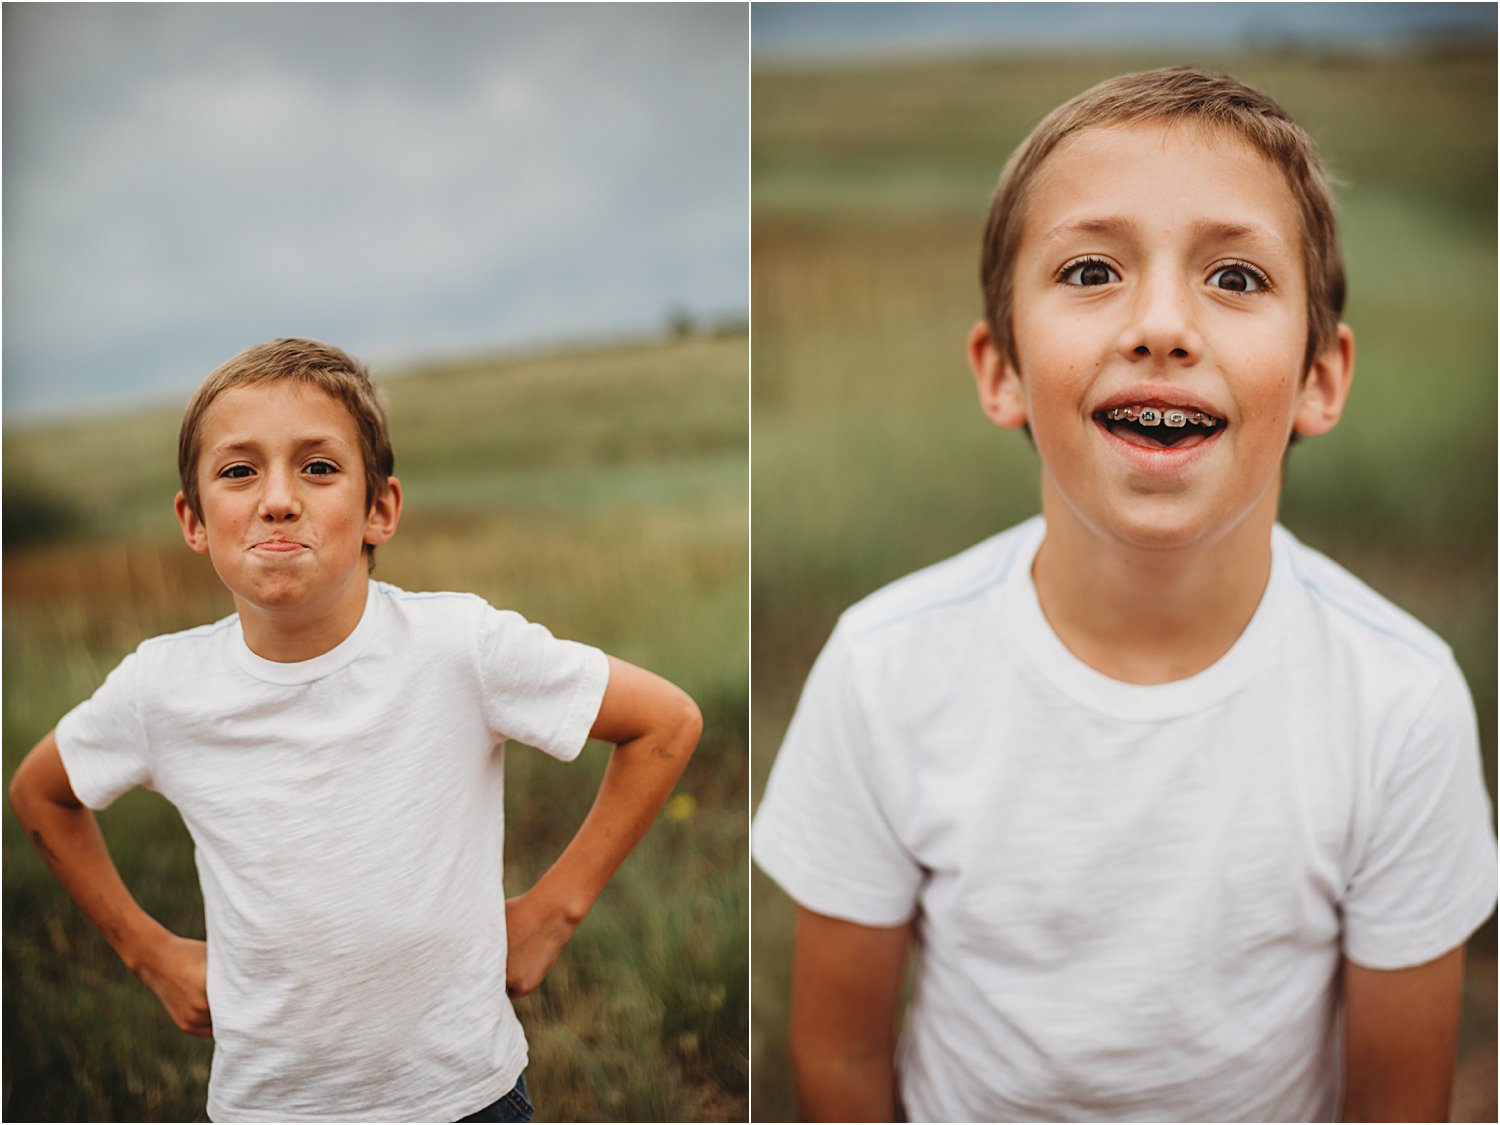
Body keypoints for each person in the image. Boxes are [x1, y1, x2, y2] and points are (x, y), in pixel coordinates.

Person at [751, 67, 1497, 1122]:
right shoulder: (885, 667)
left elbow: (1396, 1107)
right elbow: (840, 1058)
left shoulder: (1401, 699)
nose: (1160, 325)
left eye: (1235, 279)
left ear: (1321, 380)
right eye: (1092, 269)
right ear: (1000, 367)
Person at [9, 338, 702, 1123]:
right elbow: (40, 793)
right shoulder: (161, 689)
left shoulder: (459, 647)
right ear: (193, 519)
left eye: (318, 466)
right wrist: (148, 950)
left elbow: (665, 722)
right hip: (269, 1107)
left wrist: (556, 908)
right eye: (239, 471)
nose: (277, 499)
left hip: (466, 1097)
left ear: (381, 509)